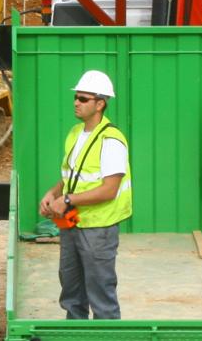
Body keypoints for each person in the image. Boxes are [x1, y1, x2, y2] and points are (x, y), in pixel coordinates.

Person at [39, 69, 132, 320]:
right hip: (72, 223)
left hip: (98, 228)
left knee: (101, 294)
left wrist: (67, 200)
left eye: (83, 99)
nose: (76, 103)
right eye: (76, 98)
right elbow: (73, 173)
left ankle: (107, 337)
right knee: (71, 290)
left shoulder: (111, 140)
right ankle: (74, 334)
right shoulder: (74, 133)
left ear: (100, 103)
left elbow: (109, 189)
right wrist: (53, 192)